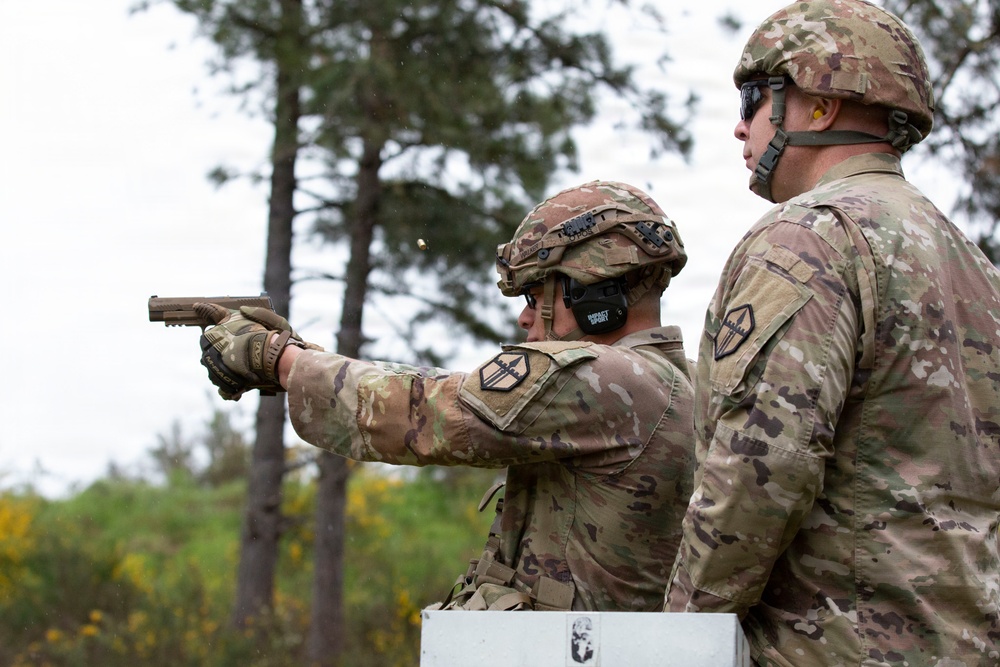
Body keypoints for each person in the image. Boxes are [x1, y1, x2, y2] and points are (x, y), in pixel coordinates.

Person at [663, 1, 1000, 665]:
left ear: (818, 105)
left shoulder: (809, 238)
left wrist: (678, 637)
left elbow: (758, 472)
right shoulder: (974, 266)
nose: (740, 126)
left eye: (756, 97)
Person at [197, 180, 695, 612]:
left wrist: (278, 360)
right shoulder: (680, 381)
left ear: (593, 290)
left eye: (536, 294)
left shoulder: (605, 378)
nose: (525, 318)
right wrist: (301, 359)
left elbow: (428, 411)